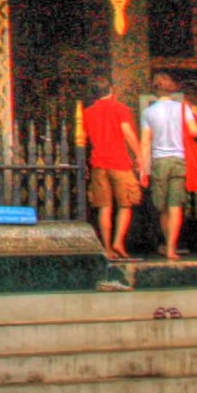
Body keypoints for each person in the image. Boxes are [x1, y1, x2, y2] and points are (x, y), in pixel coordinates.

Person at [81, 77, 147, 260]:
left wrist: (84, 163)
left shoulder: (88, 112)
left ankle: (107, 248)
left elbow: (83, 140)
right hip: (119, 162)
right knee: (125, 204)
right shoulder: (121, 109)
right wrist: (140, 156)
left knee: (104, 207)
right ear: (111, 89)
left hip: (98, 163)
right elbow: (128, 133)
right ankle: (118, 241)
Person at [139, 73, 195, 261]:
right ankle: (172, 247)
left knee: (162, 207)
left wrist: (143, 169)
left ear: (154, 90)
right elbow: (194, 131)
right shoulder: (182, 108)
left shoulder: (148, 112)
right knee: (175, 206)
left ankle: (166, 244)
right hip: (179, 159)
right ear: (172, 88)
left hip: (159, 162)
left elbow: (145, 142)